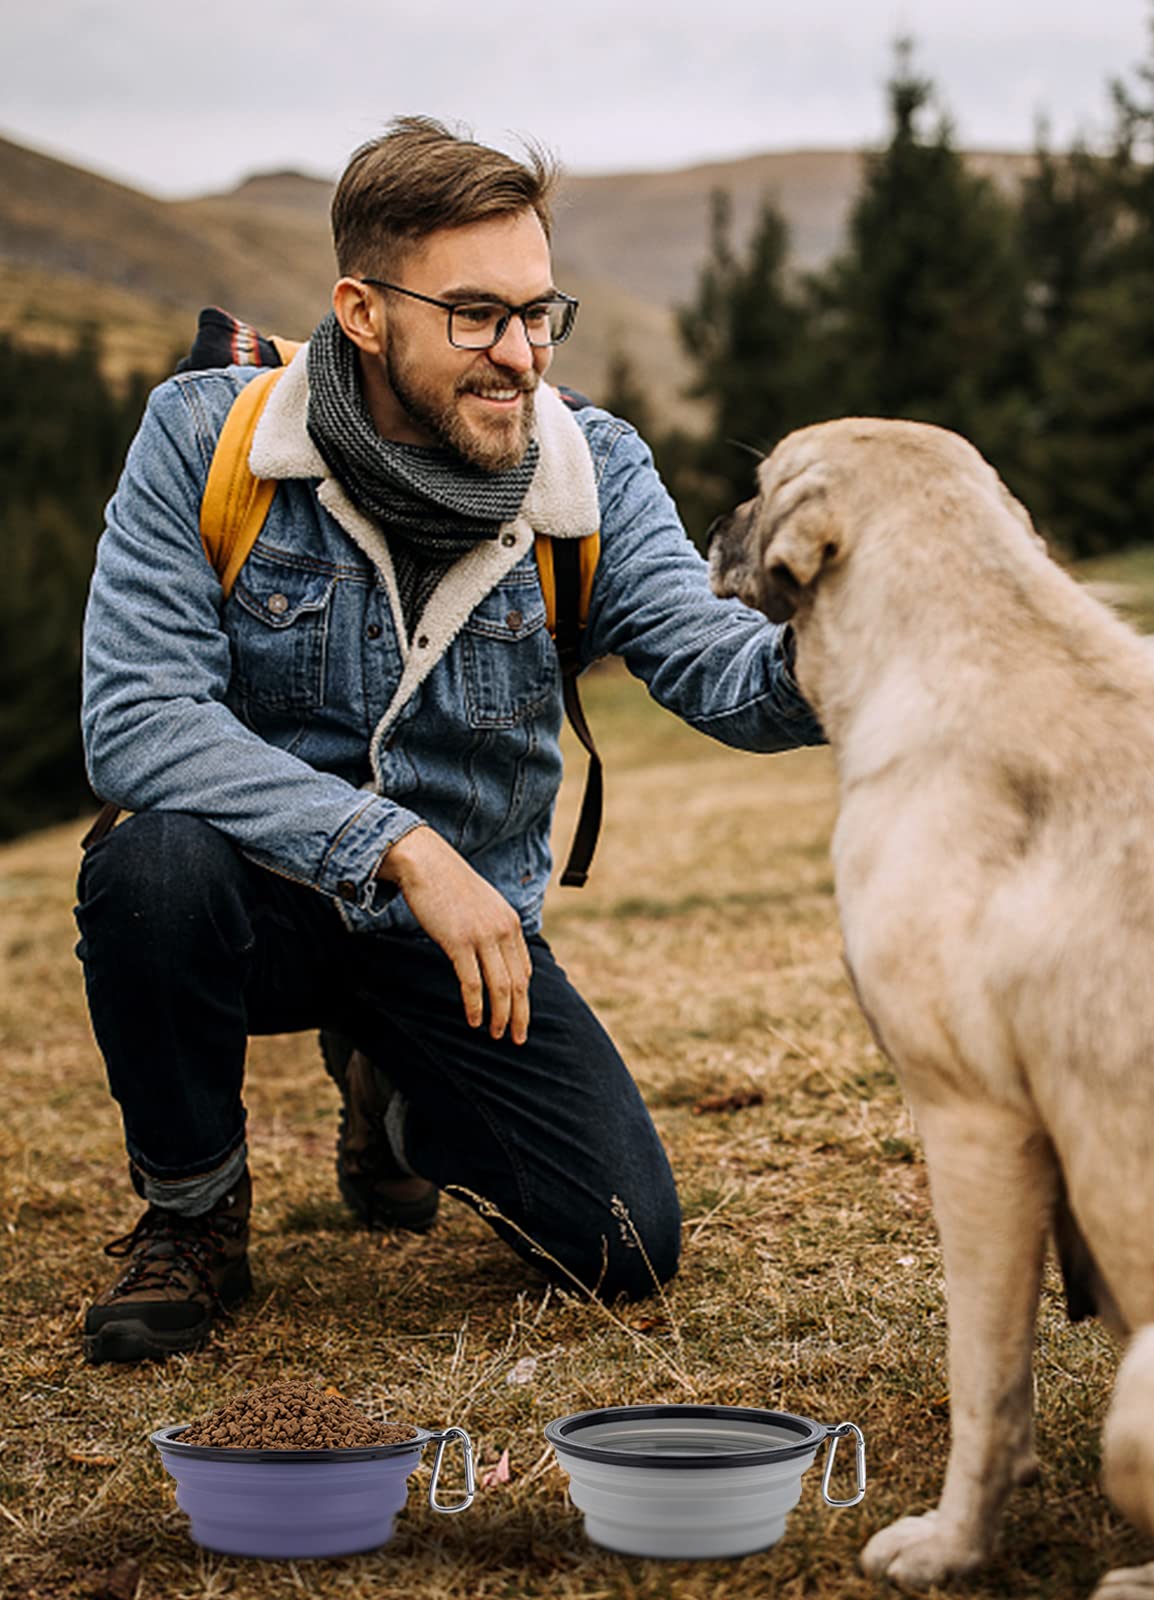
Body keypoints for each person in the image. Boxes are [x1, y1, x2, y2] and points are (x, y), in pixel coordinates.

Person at [73, 116, 822, 1366]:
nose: (521, 355)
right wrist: (397, 844)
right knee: (150, 866)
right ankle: (194, 1212)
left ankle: (397, 1105)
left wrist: (860, 635)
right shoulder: (208, 442)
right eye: (476, 315)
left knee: (622, 1243)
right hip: (263, 899)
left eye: (539, 312)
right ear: (362, 313)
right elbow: (139, 717)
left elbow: (717, 673)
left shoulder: (596, 473)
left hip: (468, 943)